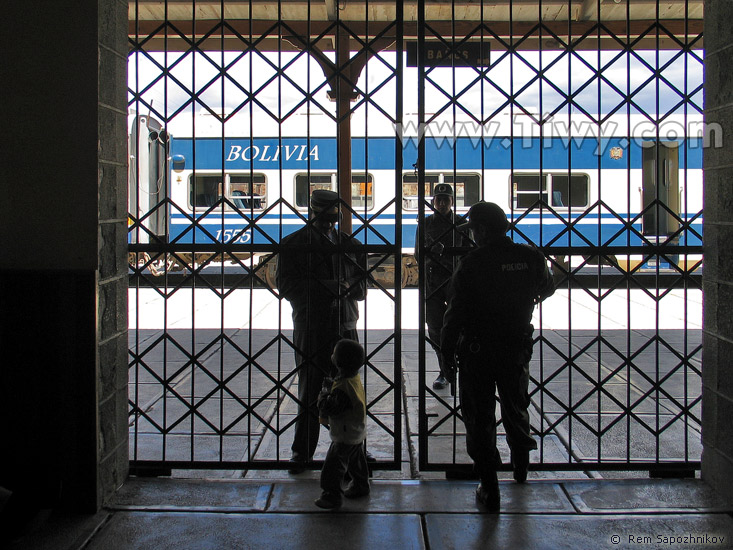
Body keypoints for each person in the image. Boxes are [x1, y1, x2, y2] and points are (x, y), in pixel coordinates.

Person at [440, 201, 555, 512]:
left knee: (479, 416)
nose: (472, 236)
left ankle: (490, 487)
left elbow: (456, 313)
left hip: (478, 349)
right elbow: (548, 287)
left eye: (474, 230)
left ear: (482, 230)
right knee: (516, 405)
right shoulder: (529, 256)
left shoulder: (473, 263)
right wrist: (524, 303)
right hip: (516, 345)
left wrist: (446, 352)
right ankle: (521, 467)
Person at [277, 189, 367, 474]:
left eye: (332, 220)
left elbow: (363, 289)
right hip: (312, 326)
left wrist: (347, 287)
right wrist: (325, 286)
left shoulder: (351, 245)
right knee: (310, 390)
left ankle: (355, 453)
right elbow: (286, 287)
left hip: (344, 324)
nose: (329, 225)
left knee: (350, 392)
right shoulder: (292, 244)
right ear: (312, 214)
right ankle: (301, 453)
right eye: (323, 220)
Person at [414, 183, 468, 390]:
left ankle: (459, 368)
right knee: (435, 330)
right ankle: (445, 370)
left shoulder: (462, 224)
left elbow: (469, 254)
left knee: (459, 327)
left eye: (446, 200)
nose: (443, 203)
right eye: (439, 199)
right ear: (433, 201)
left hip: (456, 285)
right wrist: (431, 255)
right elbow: (419, 254)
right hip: (433, 284)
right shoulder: (426, 224)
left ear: (453, 202)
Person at [314, 339, 370, 509]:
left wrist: (323, 394)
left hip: (343, 434)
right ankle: (361, 485)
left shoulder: (342, 387)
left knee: (333, 467)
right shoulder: (354, 379)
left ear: (338, 362)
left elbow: (330, 408)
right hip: (356, 430)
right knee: (356, 461)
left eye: (334, 354)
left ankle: (331, 495)